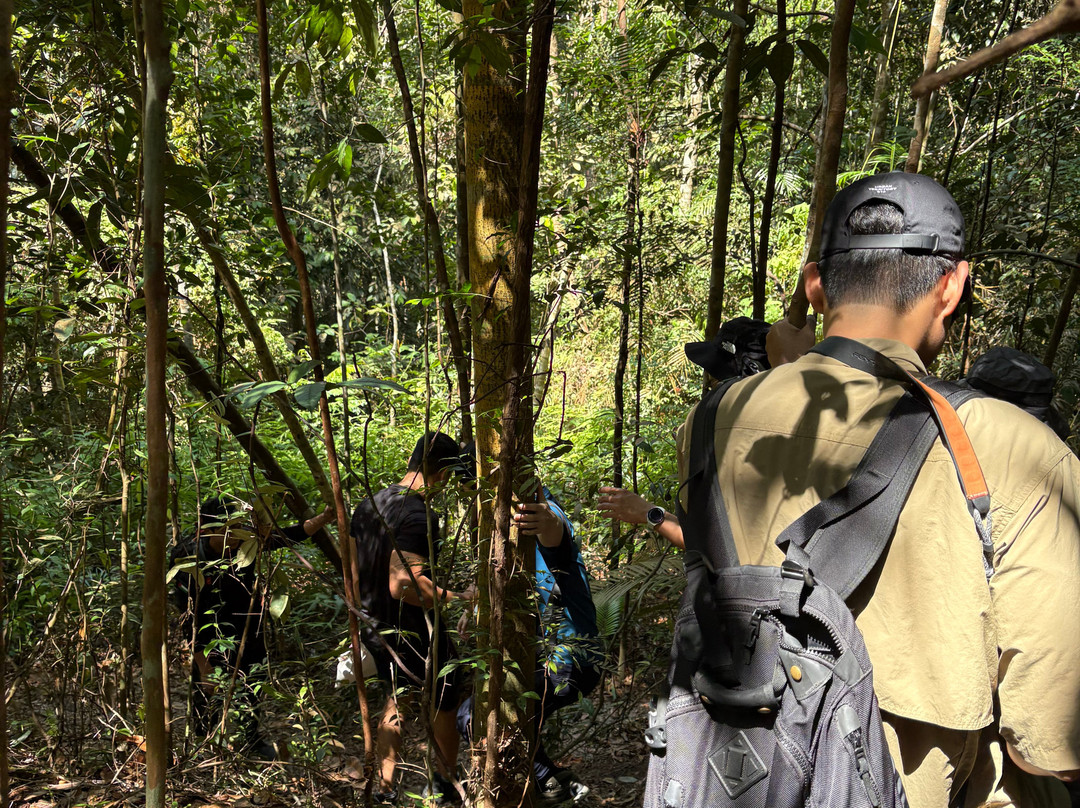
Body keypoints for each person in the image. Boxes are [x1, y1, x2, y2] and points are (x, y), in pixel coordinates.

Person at [679, 172, 1080, 806]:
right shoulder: (1012, 448)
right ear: (952, 286)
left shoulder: (711, 421)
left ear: (816, 286)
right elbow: (1050, 737)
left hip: (730, 776)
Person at [456, 482, 601, 804]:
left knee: (473, 715)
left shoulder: (542, 520)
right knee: (496, 717)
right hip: (544, 661)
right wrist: (474, 605)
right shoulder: (503, 537)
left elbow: (553, 528)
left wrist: (544, 518)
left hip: (570, 660)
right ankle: (551, 781)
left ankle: (547, 779)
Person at [350, 431, 474, 805]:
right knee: (446, 695)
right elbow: (404, 585)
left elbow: (352, 570)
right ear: (444, 473)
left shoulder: (369, 504)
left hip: (374, 623)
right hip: (413, 629)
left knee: (397, 698)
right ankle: (443, 783)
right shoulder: (418, 514)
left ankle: (385, 789)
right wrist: (460, 598)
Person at [173, 495, 334, 760]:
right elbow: (189, 617)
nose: (235, 537)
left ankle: (251, 739)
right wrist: (203, 664)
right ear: (207, 530)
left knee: (253, 682)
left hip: (248, 622)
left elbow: (287, 536)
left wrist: (325, 518)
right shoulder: (187, 557)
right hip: (208, 630)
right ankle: (204, 742)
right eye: (227, 530)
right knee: (206, 687)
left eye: (238, 528)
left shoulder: (246, 542)